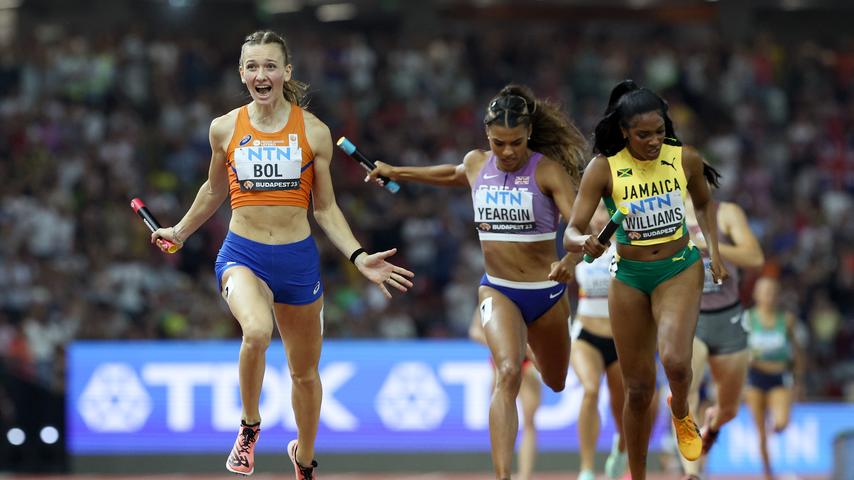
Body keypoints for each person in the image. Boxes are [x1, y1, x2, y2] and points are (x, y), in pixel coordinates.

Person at [150, 30, 414, 479]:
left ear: (286, 72)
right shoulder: (225, 127)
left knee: (304, 375)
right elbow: (214, 189)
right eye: (252, 66)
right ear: (241, 74)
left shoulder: (314, 132)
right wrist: (180, 231)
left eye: (270, 65)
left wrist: (357, 256)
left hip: (297, 263)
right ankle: (250, 427)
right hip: (243, 254)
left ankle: (304, 459)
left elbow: (326, 208)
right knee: (255, 331)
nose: (261, 74)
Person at [368, 83, 588, 479]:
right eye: (498, 142)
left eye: (516, 143)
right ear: (487, 136)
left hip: (547, 293)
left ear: (529, 136)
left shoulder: (547, 170)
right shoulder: (476, 164)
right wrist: (394, 170)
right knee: (506, 373)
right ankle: (502, 476)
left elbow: (579, 227)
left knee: (555, 382)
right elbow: (452, 174)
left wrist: (572, 258)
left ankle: (535, 346)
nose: (507, 152)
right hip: (498, 289)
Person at [563, 79, 728, 480]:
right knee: (637, 391)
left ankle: (682, 412)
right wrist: (583, 241)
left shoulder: (683, 158)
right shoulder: (603, 168)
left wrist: (716, 254)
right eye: (643, 135)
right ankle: (637, 475)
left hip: (678, 267)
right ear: (623, 131)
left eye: (658, 132)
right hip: (631, 276)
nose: (653, 141)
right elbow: (572, 230)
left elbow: (705, 204)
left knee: (674, 361)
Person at [678, 198, 765, 479]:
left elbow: (755, 258)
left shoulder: (727, 213)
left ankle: (713, 425)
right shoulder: (666, 214)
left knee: (729, 408)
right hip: (690, 317)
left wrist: (709, 245)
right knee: (685, 391)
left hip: (728, 319)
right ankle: (691, 473)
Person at [570, 204, 627, 480]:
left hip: (620, 339)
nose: (600, 216)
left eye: (605, 210)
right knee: (590, 390)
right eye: (595, 211)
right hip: (585, 334)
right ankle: (587, 469)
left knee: (621, 405)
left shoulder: (627, 248)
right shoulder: (578, 248)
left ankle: (621, 447)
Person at [469, 309, 541, 480]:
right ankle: (502, 474)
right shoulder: (494, 289)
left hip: (528, 360)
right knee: (501, 420)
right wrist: (501, 341)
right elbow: (474, 331)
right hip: (502, 359)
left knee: (529, 421)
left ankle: (525, 476)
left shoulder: (534, 292)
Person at [744, 275, 803, 480]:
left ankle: (775, 425)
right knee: (760, 433)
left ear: (777, 296)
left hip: (779, 376)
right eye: (765, 291)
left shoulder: (786, 320)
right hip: (754, 379)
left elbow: (797, 351)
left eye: (772, 292)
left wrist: (799, 378)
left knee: (781, 422)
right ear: (756, 294)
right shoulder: (748, 319)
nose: (769, 296)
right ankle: (768, 475)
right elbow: (737, 350)